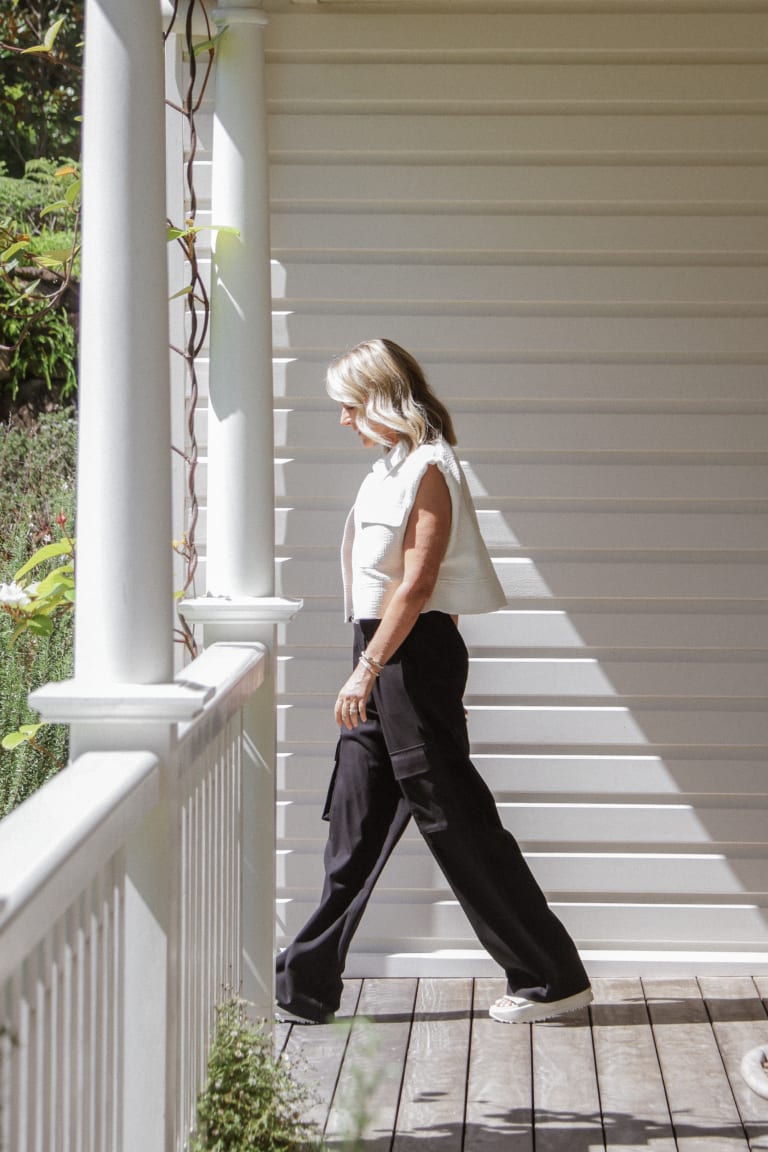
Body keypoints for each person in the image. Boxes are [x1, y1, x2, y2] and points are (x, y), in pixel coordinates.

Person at [275, 338, 592, 1025]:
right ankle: (303, 987)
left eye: (350, 406)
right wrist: (368, 662)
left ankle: (551, 977)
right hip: (380, 654)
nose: (343, 421)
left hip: (407, 660)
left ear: (383, 400)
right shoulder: (386, 468)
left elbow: (418, 586)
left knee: (459, 824)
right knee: (354, 824)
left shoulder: (431, 468)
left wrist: (371, 669)